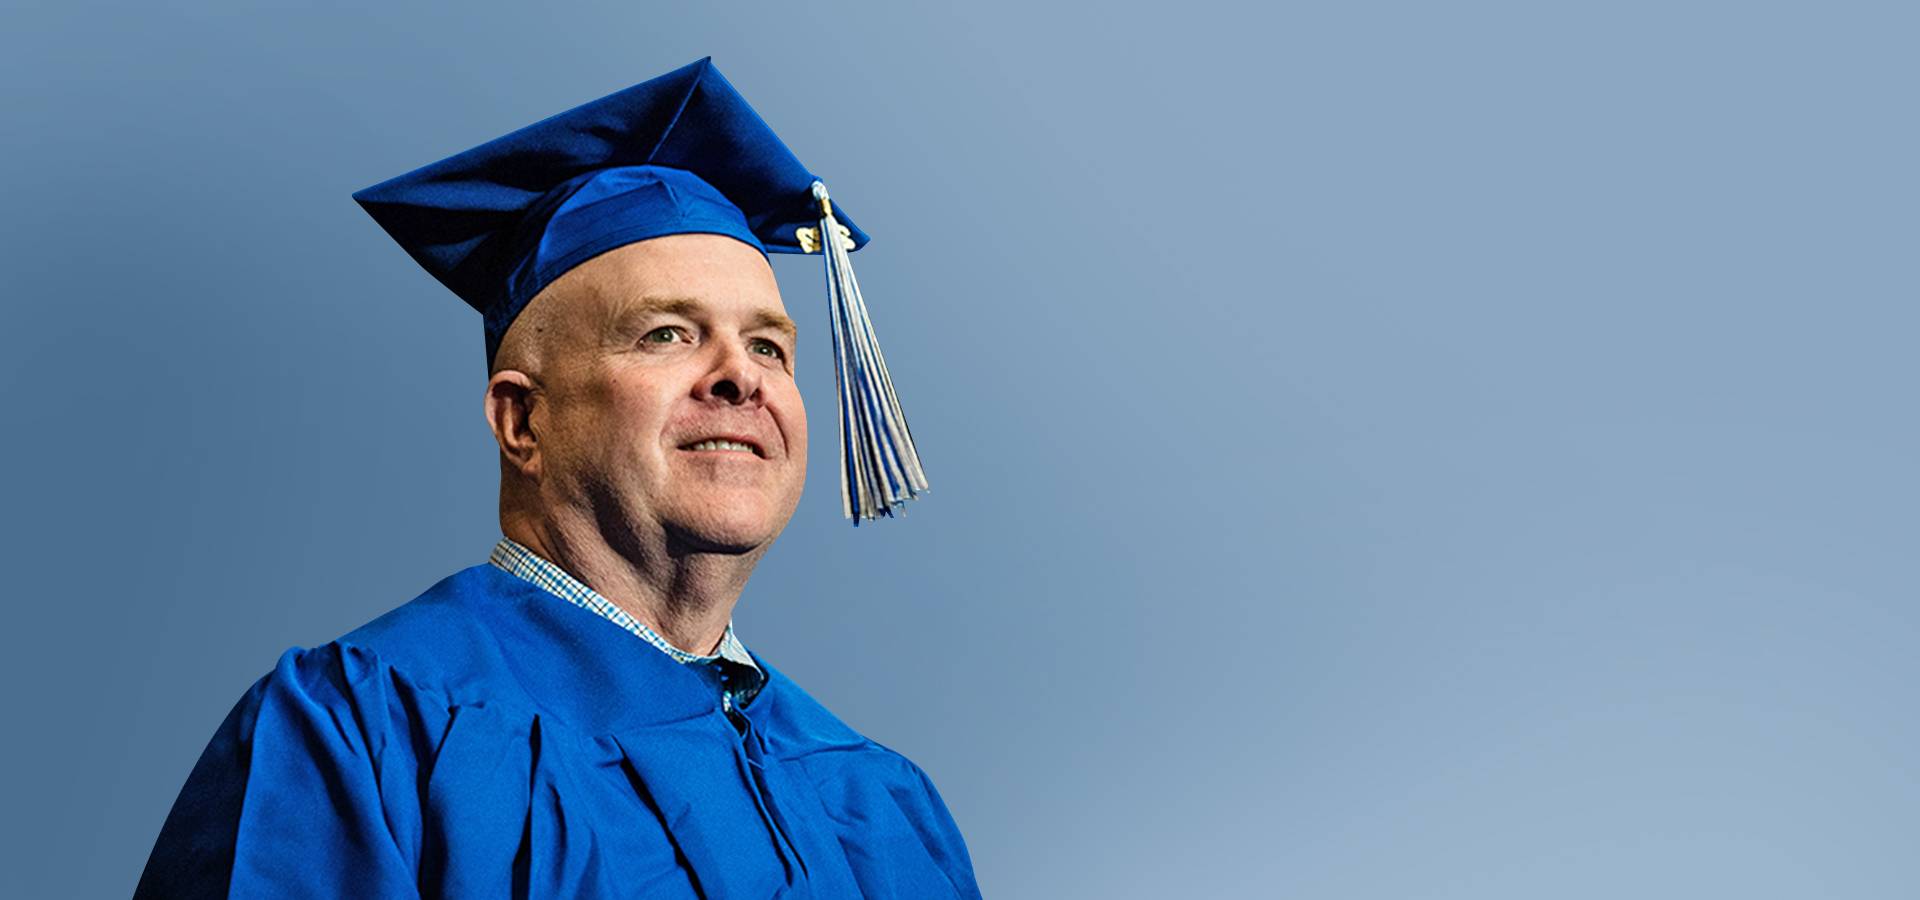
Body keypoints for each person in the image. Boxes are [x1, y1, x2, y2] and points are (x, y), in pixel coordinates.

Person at [134, 57, 977, 899]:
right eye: (666, 334)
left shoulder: (880, 801)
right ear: (521, 421)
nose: (740, 377)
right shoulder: (363, 731)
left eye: (769, 346)